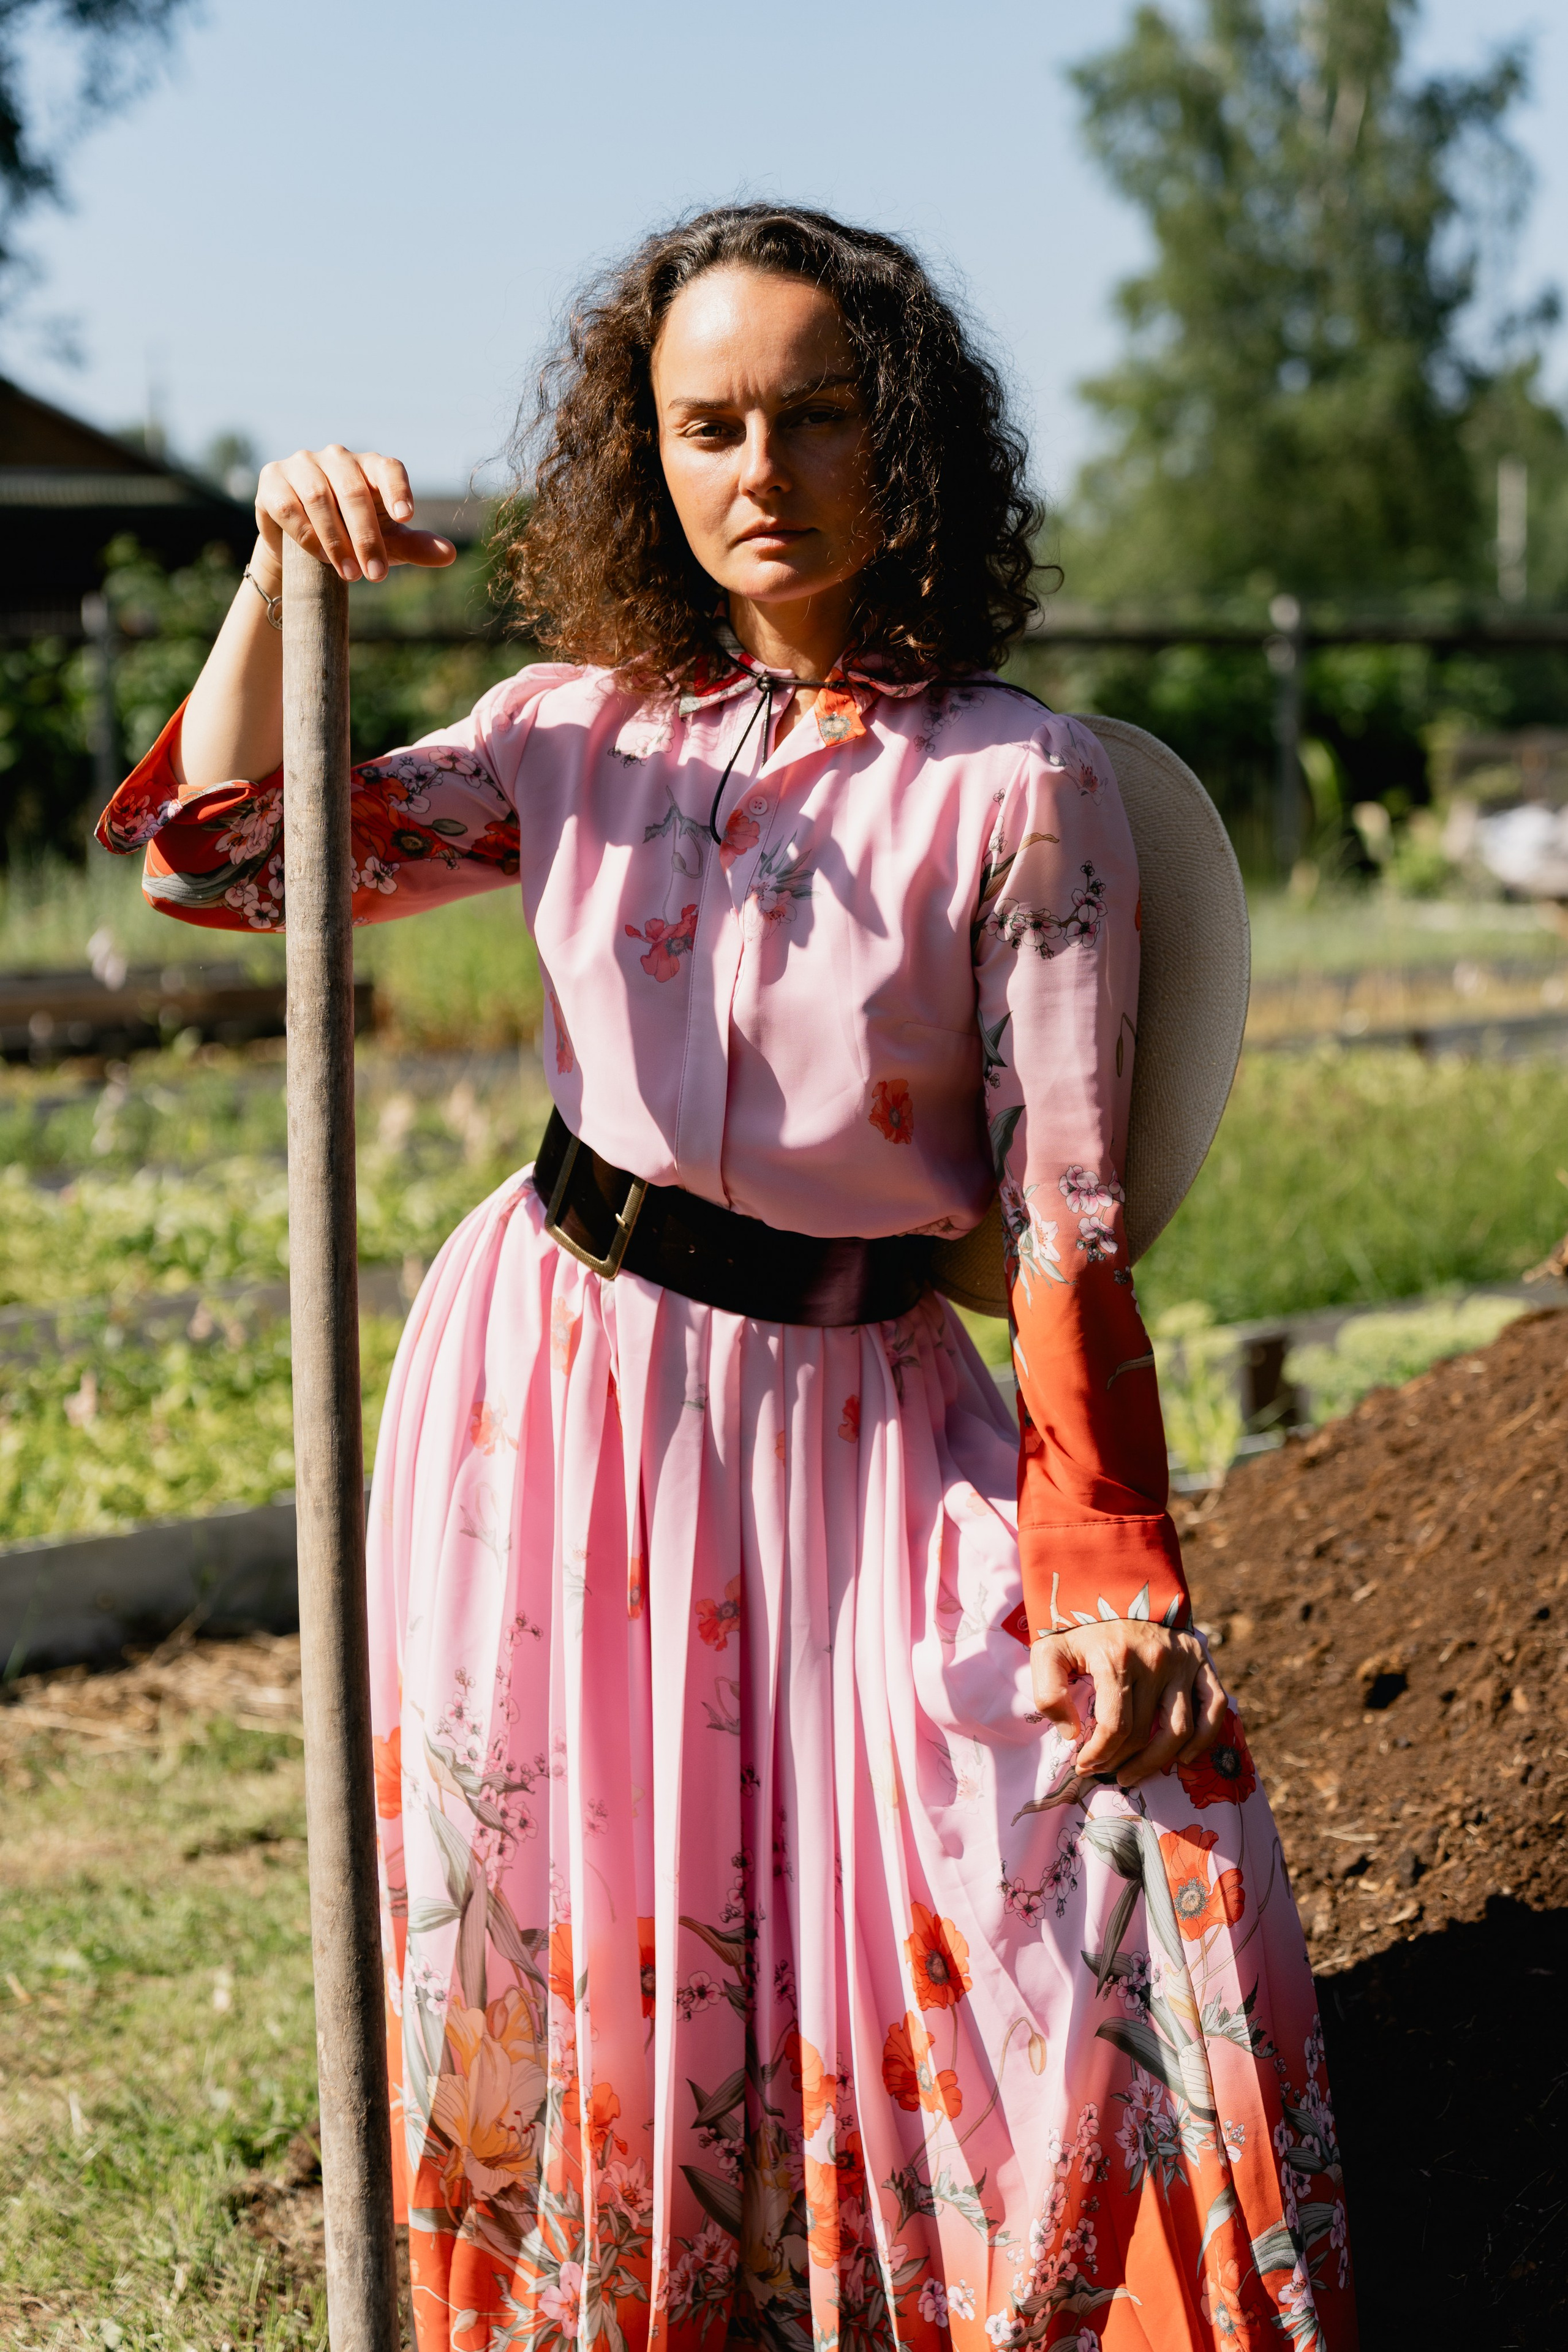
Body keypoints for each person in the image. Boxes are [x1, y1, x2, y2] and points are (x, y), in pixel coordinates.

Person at [97, 205, 1354, 2352]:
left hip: (854, 1417)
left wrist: (1113, 1557)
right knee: (603, 1925)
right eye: (709, 424)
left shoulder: (1019, 784)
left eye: (815, 415)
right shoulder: (571, 730)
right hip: (556, 1388)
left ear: (906, 445)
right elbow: (227, 863)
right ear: (647, 457)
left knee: (1118, 1834)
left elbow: (1065, 1219)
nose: (761, 468)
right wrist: (276, 582)